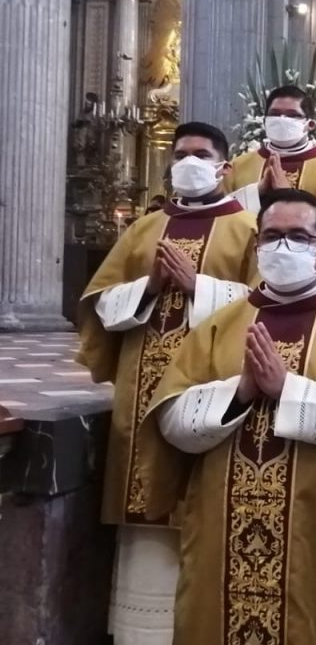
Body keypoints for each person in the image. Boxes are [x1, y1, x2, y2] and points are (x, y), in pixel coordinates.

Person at [137, 188, 316, 643]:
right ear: (256, 247)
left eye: (297, 236)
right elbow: (172, 418)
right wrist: (238, 393)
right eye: (271, 236)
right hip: (224, 528)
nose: (282, 246)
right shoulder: (218, 324)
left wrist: (287, 390)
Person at [76, 122, 258, 645]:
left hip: (212, 391)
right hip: (143, 390)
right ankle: (142, 633)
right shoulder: (143, 228)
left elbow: (267, 304)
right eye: (181, 154)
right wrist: (150, 287)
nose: (189, 162)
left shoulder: (248, 228)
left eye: (201, 154)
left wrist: (197, 286)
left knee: (207, 509)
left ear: (224, 167)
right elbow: (99, 302)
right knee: (146, 515)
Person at [221, 84, 316, 292]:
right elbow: (219, 221)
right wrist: (256, 193)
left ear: (310, 124)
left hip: (311, 282)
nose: (283, 120)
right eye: (276, 114)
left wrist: (290, 196)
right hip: (247, 278)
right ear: (265, 120)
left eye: (292, 115)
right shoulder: (239, 166)